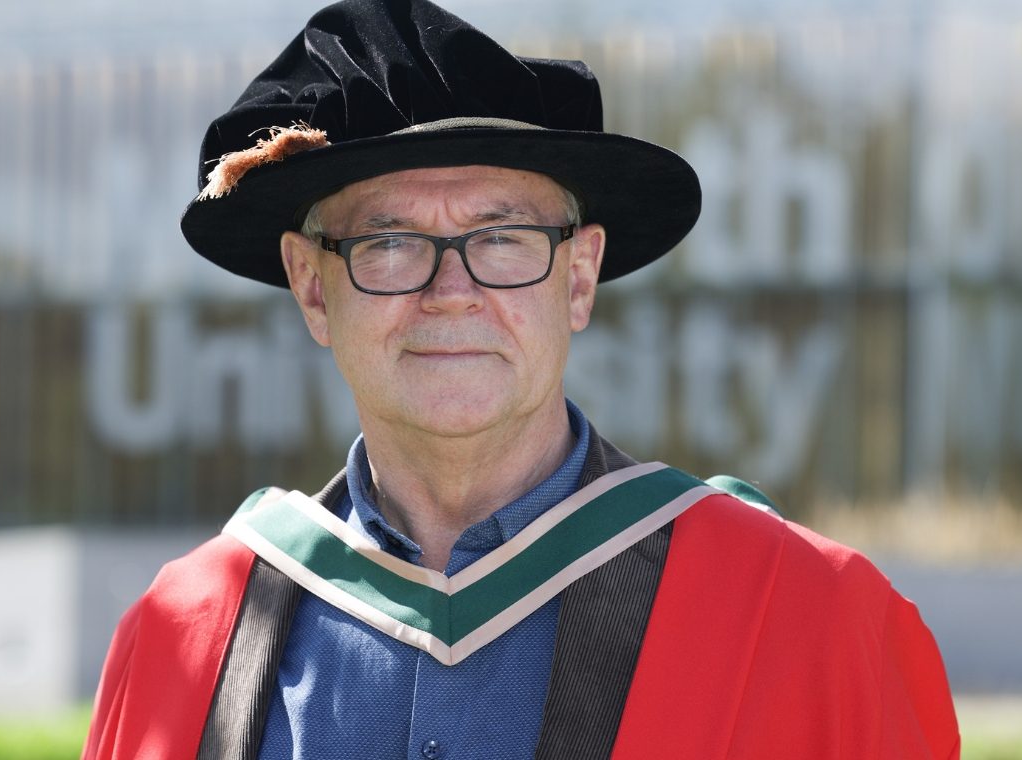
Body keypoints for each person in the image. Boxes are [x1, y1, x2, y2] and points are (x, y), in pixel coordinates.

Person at [81, 0, 960, 758]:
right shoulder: (181, 639)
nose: (450, 293)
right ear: (313, 287)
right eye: (389, 243)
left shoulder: (808, 620)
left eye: (501, 239)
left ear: (578, 278)